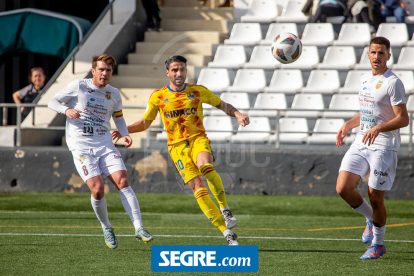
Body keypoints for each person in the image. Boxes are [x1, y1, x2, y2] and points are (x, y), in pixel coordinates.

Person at [112, 55, 250, 245]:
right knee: (198, 188)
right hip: (176, 148)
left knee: (205, 167)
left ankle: (224, 209)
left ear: (186, 71)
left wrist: (238, 114)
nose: (179, 73)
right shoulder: (158, 96)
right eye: (175, 70)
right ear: (167, 72)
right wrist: (123, 131)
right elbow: (145, 122)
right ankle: (226, 232)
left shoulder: (198, 91)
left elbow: (222, 104)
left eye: (182, 69)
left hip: (197, 139)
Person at [48, 54, 153, 249]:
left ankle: (139, 227)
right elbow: (52, 101)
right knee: (97, 189)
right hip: (81, 147)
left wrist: (125, 133)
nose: (105, 74)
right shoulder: (78, 86)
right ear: (93, 70)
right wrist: (66, 111)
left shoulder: (114, 93)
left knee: (122, 181)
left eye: (109, 70)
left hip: (105, 144)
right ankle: (106, 227)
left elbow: (119, 117)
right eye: (101, 69)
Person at [336, 37, 408, 259]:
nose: (377, 57)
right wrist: (349, 124)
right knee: (343, 188)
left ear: (388, 56)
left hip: (383, 146)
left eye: (381, 53)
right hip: (361, 141)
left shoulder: (392, 82)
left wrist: (380, 128)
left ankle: (378, 244)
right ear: (368, 54)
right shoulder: (366, 80)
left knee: (375, 196)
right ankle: (369, 218)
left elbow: (403, 119)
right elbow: (368, 112)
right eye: (373, 52)